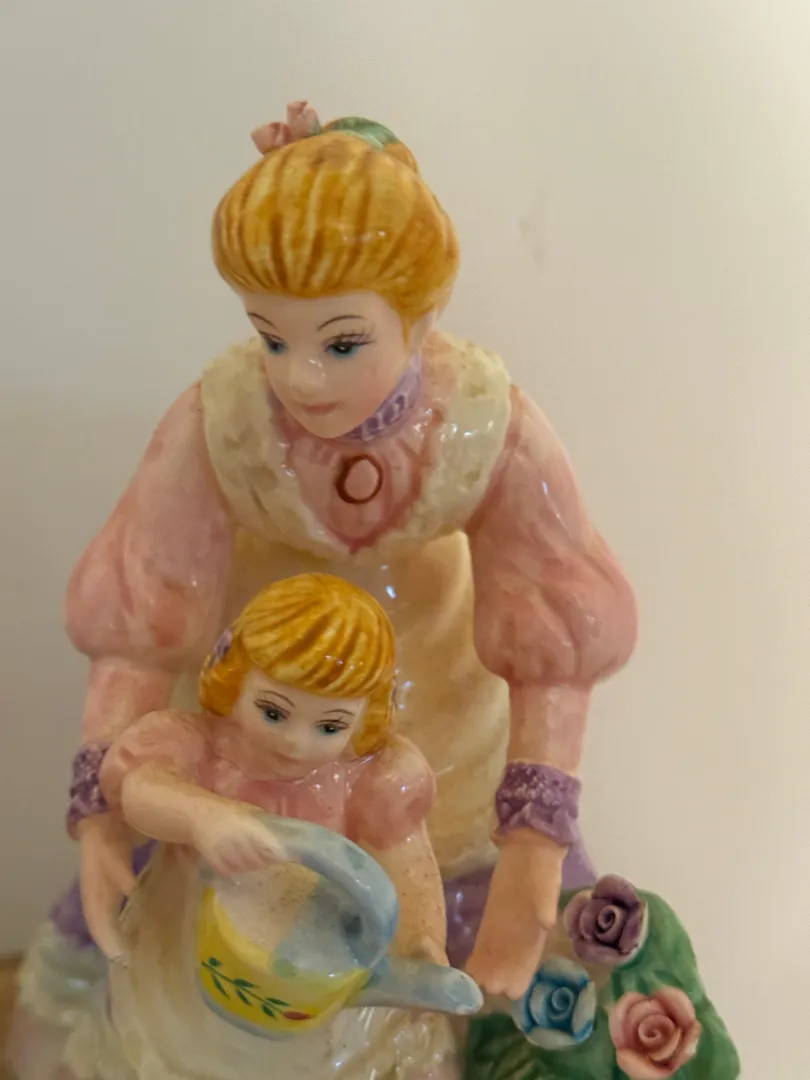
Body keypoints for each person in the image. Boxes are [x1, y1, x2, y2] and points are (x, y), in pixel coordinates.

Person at [11, 101, 637, 1080]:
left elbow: (555, 630)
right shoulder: (223, 420)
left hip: (429, 732)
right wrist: (99, 819)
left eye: (341, 344)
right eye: (271, 338)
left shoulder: (484, 423)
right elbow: (140, 619)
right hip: (254, 719)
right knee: (166, 943)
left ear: (416, 316)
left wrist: (532, 854)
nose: (300, 379)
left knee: (470, 956)